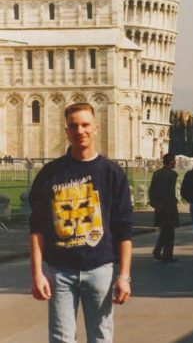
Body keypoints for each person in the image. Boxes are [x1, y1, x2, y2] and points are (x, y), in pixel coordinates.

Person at [29, 102, 133, 343]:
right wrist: (37, 273)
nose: (80, 131)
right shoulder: (50, 173)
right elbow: (37, 229)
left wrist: (124, 276)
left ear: (96, 128)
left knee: (100, 337)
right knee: (61, 339)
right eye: (74, 126)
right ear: (67, 131)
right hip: (60, 272)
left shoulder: (111, 173)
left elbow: (124, 229)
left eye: (85, 125)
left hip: (100, 270)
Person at [149, 153, 179, 263]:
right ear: (171, 161)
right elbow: (169, 192)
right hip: (168, 206)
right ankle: (167, 255)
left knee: (163, 230)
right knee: (170, 232)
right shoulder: (172, 175)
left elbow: (152, 189)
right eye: (174, 160)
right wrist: (173, 201)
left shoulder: (156, 173)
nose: (175, 162)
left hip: (159, 206)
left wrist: (155, 203)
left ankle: (157, 251)